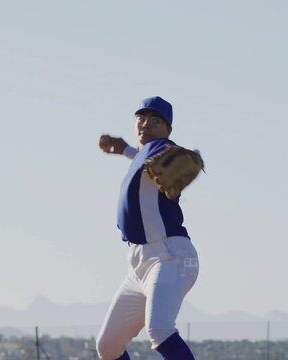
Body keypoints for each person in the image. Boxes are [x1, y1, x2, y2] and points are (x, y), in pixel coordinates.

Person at [96, 96, 199, 360]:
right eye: (141, 119)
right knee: (107, 347)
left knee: (161, 330)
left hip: (171, 257)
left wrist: (185, 156)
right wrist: (125, 150)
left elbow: (166, 153)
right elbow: (144, 161)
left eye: (155, 121)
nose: (146, 125)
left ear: (168, 130)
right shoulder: (145, 159)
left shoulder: (162, 147)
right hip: (139, 264)